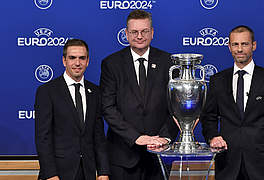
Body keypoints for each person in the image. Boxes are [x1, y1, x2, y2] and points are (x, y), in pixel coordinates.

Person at [200, 25, 264, 180]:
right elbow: (208, 117)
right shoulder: (217, 80)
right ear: (229, 47)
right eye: (235, 44)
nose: (239, 49)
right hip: (227, 163)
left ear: (253, 46)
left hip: (262, 165)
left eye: (244, 44)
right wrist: (213, 136)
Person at [100, 10, 177, 180]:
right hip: (123, 155)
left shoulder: (169, 62)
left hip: (159, 154)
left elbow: (176, 107)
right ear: (126, 34)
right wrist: (136, 137)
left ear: (152, 33)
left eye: (145, 31)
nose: (140, 36)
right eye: (134, 32)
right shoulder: (111, 64)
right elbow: (108, 108)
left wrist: (164, 137)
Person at [35, 39, 110, 180]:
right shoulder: (47, 91)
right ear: (64, 61)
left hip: (87, 172)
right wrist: (51, 174)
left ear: (87, 61)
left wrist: (103, 171)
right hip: (58, 173)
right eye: (72, 58)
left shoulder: (95, 92)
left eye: (82, 58)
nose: (77, 63)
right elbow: (43, 138)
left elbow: (98, 135)